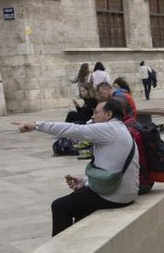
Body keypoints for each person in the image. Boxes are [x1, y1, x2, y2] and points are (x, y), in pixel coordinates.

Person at [15, 99, 139, 236]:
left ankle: (60, 250)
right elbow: (110, 168)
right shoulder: (120, 129)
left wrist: (35, 125)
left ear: (108, 114)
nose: (92, 116)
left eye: (97, 113)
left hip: (116, 195)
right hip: (125, 191)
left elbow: (73, 129)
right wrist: (85, 182)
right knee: (78, 201)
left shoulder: (109, 129)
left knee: (60, 206)